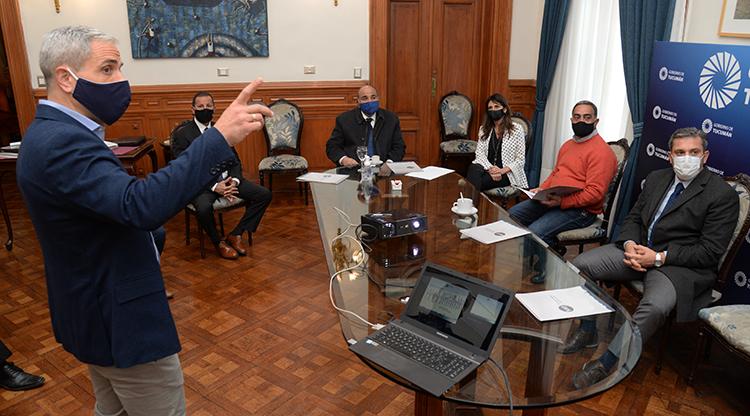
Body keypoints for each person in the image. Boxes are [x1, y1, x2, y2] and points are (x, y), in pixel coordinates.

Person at [17, 26, 272, 415]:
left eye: (120, 68)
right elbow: (139, 205)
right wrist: (218, 137)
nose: (120, 80)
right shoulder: (61, 141)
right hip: (118, 319)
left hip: (96, 310)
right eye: (107, 69)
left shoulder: (54, 132)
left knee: (112, 409)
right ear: (66, 78)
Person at [566, 127, 738, 389]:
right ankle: (588, 329)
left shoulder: (721, 195)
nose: (686, 158)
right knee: (579, 266)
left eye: (694, 152)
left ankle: (608, 362)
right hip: (638, 251)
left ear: (705, 156)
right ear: (670, 156)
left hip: (677, 267)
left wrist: (657, 258)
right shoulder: (657, 178)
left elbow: (709, 251)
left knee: (656, 307)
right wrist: (632, 245)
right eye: (680, 152)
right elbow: (634, 218)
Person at [508, 100, 617, 283]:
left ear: (596, 121)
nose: (581, 121)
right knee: (513, 214)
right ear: (571, 120)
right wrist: (541, 189)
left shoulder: (602, 153)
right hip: (555, 198)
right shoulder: (568, 145)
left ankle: (548, 267)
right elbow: (557, 173)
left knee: (537, 230)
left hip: (582, 210)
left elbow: (595, 194)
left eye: (587, 117)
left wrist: (562, 202)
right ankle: (539, 254)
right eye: (577, 117)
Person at [171, 91, 272, 260]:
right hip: (202, 185)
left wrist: (234, 180)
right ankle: (218, 242)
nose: (205, 109)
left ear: (214, 108)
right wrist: (214, 186)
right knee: (203, 207)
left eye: (209, 106)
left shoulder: (221, 129)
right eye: (201, 106)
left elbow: (234, 160)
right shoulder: (183, 134)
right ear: (193, 109)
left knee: (264, 195)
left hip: (228, 180)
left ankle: (236, 234)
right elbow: (185, 169)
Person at [326, 84, 405, 167]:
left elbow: (399, 147)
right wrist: (344, 159)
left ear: (378, 99)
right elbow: (332, 147)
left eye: (373, 97)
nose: (370, 101)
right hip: (353, 171)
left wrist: (389, 163)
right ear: (358, 102)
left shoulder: (391, 119)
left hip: (383, 169)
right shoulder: (344, 120)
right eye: (365, 98)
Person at [466, 93, 528, 191]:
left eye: (496, 106)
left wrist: (501, 171)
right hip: (487, 169)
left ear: (504, 109)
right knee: (473, 168)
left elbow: (520, 160)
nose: (493, 110)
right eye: (490, 108)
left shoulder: (517, 129)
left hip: (507, 173)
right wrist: (492, 169)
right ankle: (471, 204)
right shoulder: (484, 129)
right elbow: (480, 153)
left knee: (474, 182)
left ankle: (468, 202)